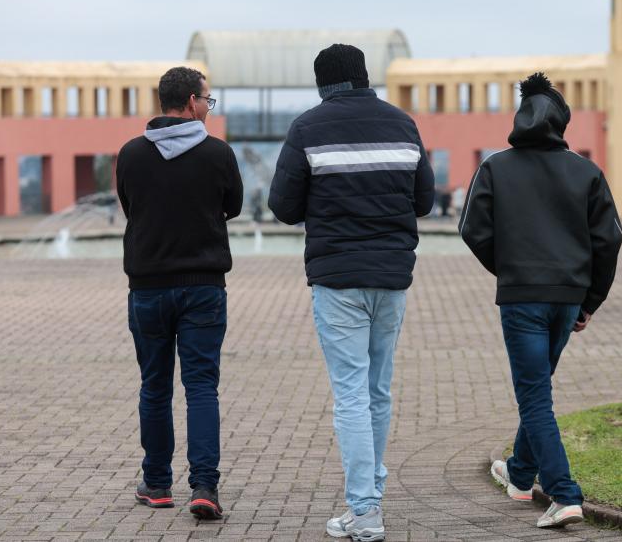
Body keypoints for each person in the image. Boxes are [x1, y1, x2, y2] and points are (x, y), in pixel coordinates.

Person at [268, 44, 434, 542]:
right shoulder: (403, 124)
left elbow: (282, 206)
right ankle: (369, 500)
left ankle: (364, 511)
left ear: (323, 84)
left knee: (351, 397)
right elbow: (423, 200)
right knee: (377, 392)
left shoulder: (307, 128)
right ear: (364, 77)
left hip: (338, 279)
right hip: (390, 278)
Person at [459, 72, 622, 528]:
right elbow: (609, 241)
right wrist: (590, 300)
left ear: (521, 117)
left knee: (534, 396)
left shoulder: (495, 167)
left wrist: (511, 272)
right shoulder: (587, 172)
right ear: (562, 124)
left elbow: (472, 229)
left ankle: (565, 494)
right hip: (568, 300)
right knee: (538, 389)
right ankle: (519, 474)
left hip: (523, 299)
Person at [116, 66, 243, 520]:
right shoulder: (218, 154)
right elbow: (234, 206)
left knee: (154, 387)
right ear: (191, 102)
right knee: (201, 388)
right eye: (208, 99)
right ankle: (204, 487)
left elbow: (130, 206)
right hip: (204, 288)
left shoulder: (130, 154)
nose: (210, 106)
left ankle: (157, 484)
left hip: (147, 289)